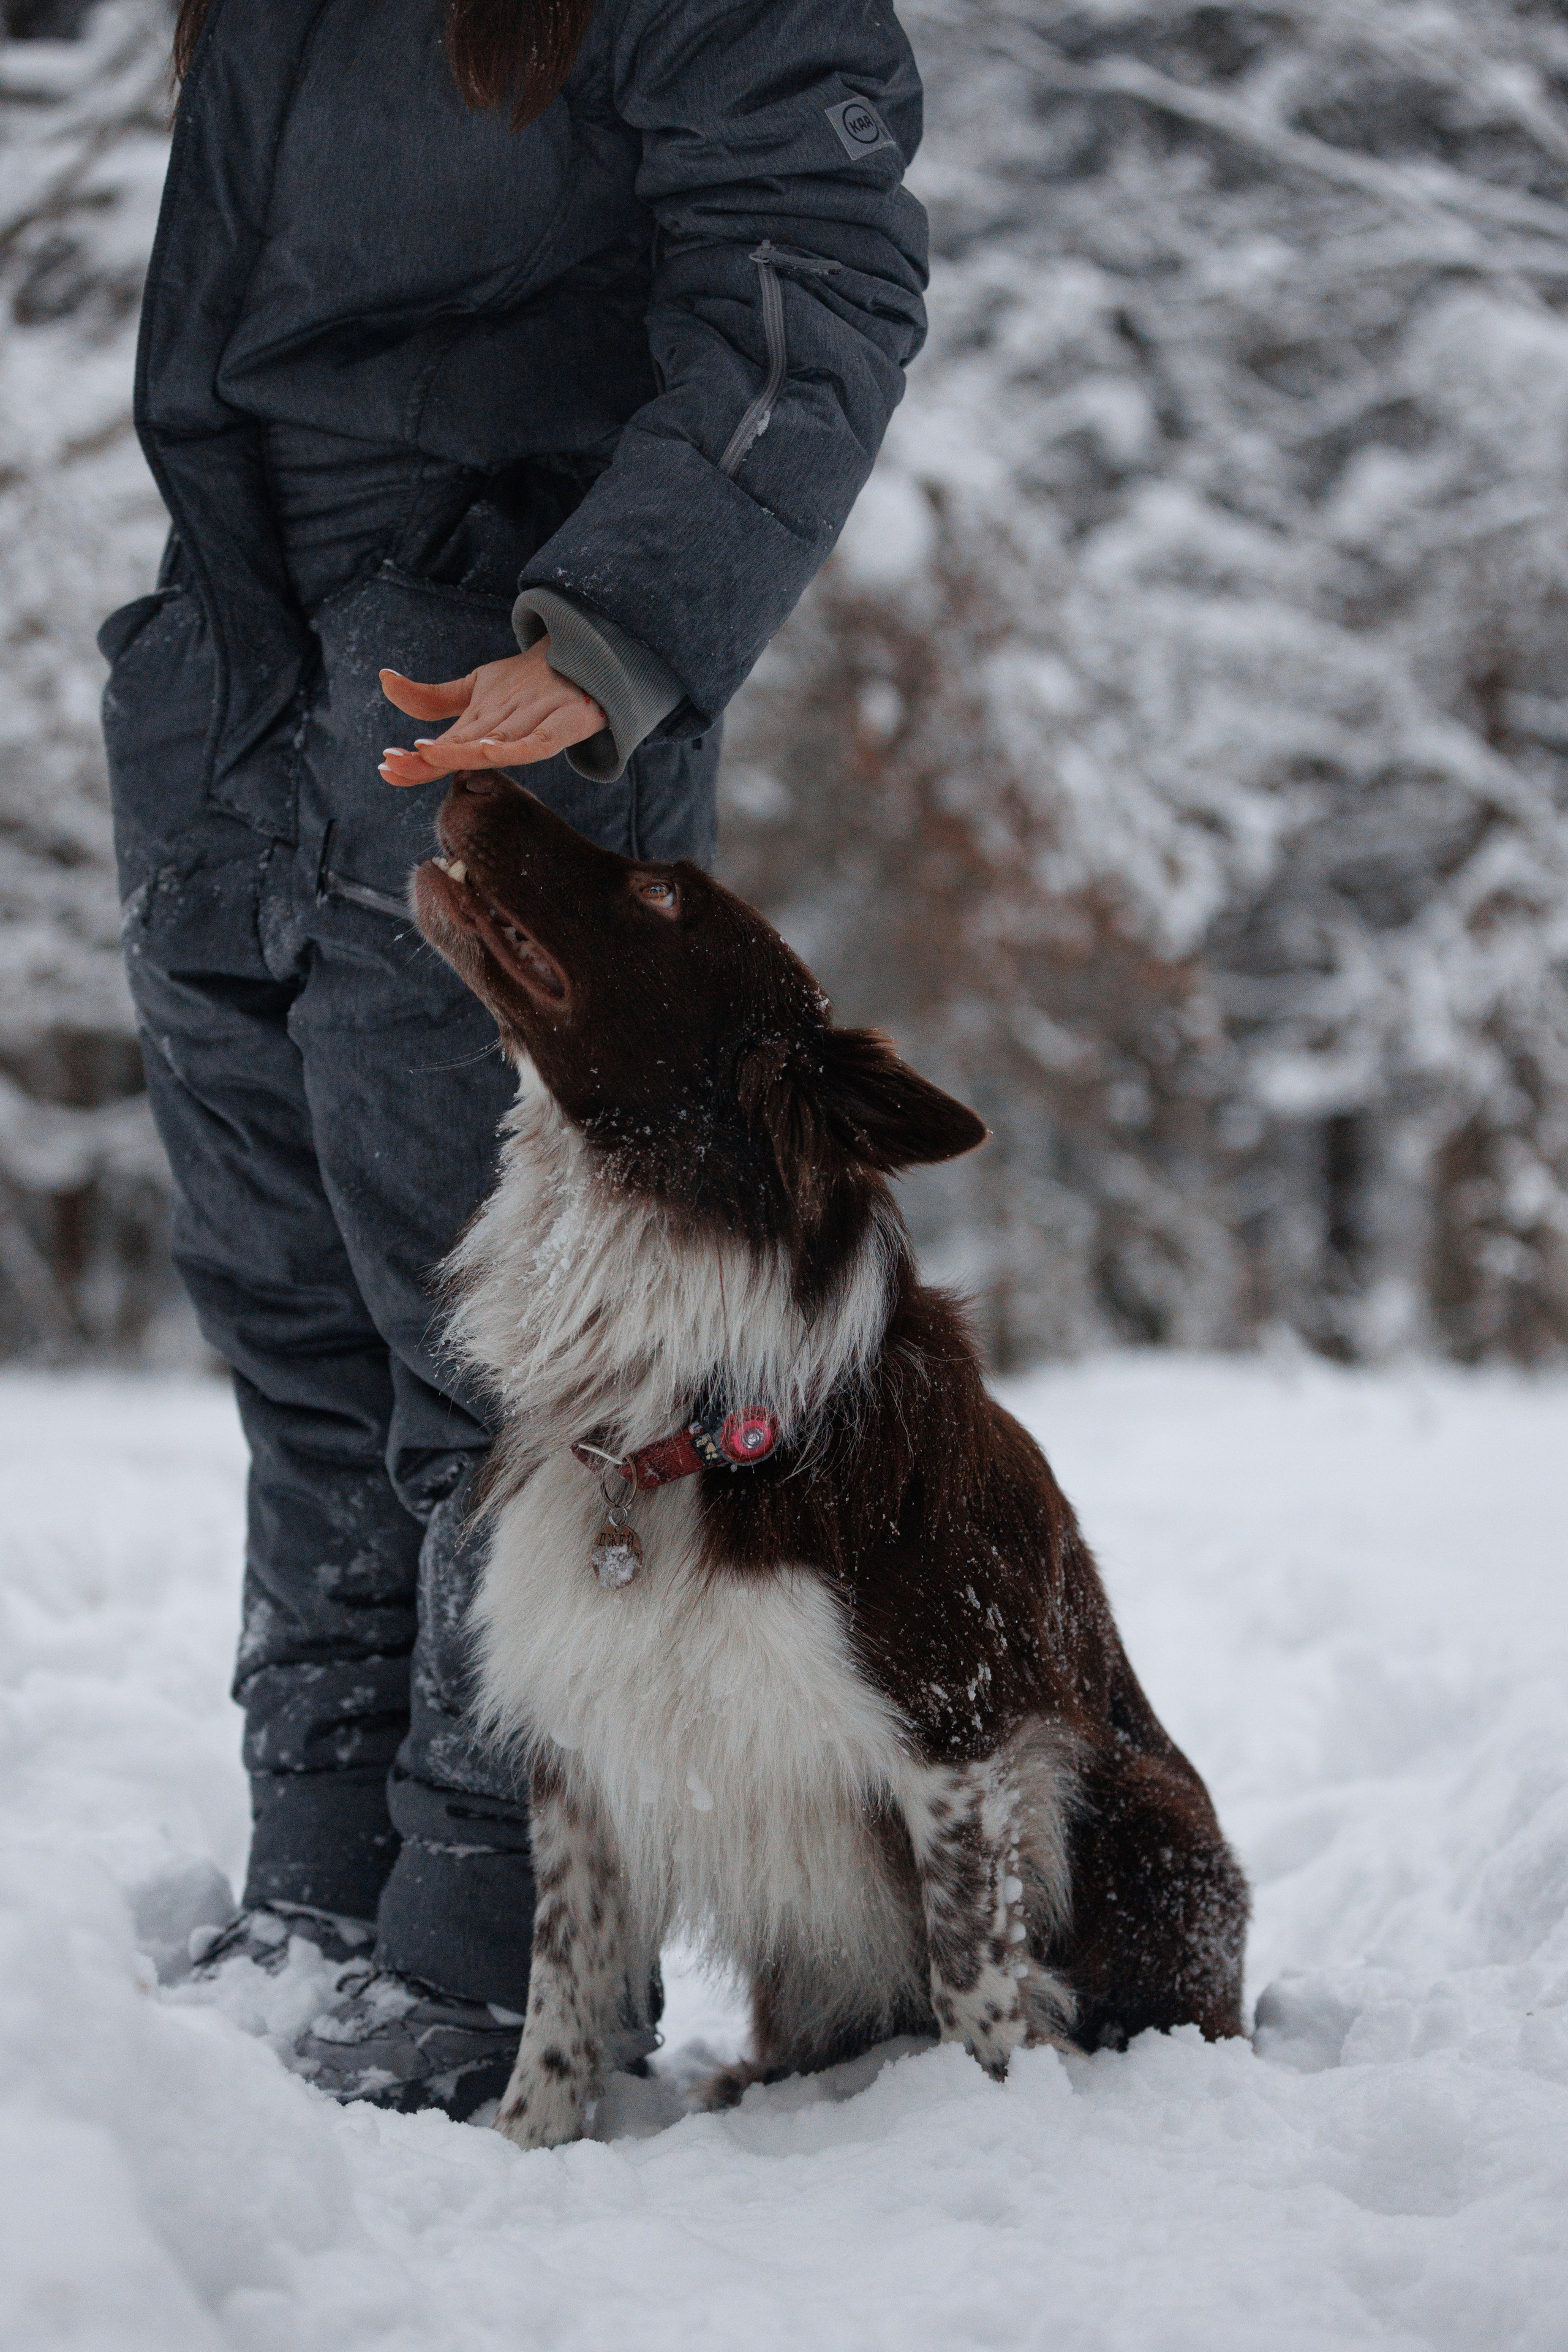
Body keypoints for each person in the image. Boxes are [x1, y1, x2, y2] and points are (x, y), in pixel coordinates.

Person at [100, 0, 927, 2115]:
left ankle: (495, 1957)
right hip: (235, 677)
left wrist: (609, 632)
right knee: (295, 1331)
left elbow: (816, 261)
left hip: (490, 683)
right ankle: (319, 1892)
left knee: (498, 1378)